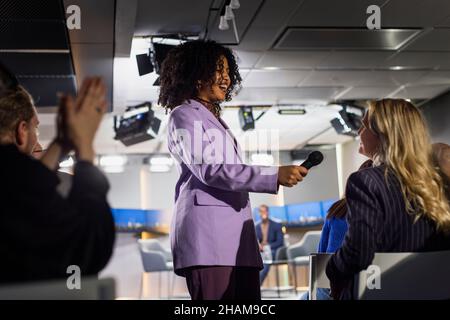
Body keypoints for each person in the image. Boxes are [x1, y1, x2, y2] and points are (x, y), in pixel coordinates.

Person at [158, 40, 309, 300]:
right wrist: (273, 175)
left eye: (228, 70)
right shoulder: (183, 115)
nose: (226, 77)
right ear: (197, 74)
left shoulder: (213, 119)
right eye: (218, 69)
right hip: (209, 241)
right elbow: (211, 169)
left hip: (237, 243)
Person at [0, 62, 115, 284]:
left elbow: (29, 185)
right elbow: (90, 247)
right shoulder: (13, 175)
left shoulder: (17, 182)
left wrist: (61, 143)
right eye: (35, 127)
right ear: (21, 132)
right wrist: (85, 150)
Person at [326, 99, 450, 299]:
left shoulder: (365, 181)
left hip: (383, 291)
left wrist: (332, 269)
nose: (359, 132)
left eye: (364, 126)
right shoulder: (439, 179)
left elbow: (358, 253)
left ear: (383, 133)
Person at [300, 159, 373, 300]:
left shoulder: (338, 209)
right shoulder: (394, 210)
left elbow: (322, 254)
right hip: (376, 281)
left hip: (333, 283)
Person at [255, 205, 284, 285]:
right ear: (259, 213)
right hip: (260, 251)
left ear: (268, 212)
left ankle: (257, 285)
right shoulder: (256, 226)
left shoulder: (277, 224)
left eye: (265, 211)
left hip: (272, 250)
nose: (263, 213)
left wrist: (267, 247)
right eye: (261, 211)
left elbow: (280, 242)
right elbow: (256, 241)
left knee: (266, 260)